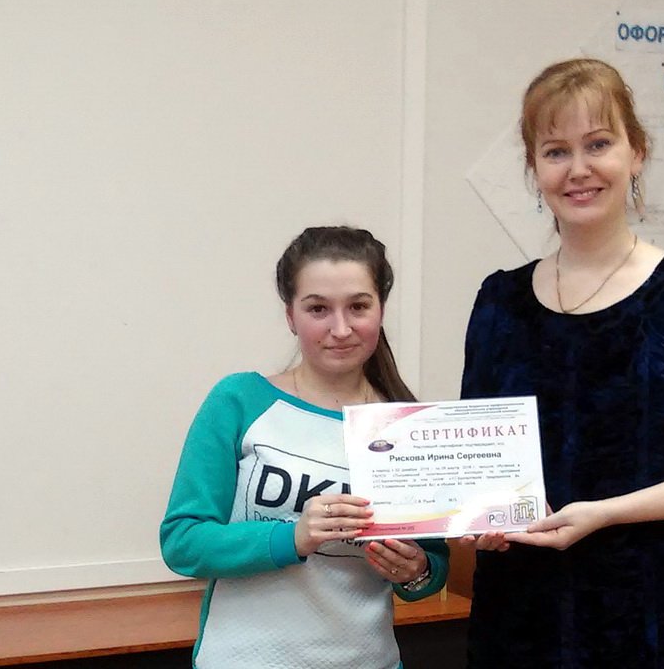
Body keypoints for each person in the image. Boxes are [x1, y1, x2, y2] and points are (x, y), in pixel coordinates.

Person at [459, 59, 664, 668]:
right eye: (556, 151)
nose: (578, 169)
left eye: (598, 144)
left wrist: (604, 514)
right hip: (520, 619)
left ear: (637, 153)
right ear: (534, 169)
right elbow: (480, 465)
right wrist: (477, 519)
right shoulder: (499, 300)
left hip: (651, 615)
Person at [160, 226, 448, 669]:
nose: (341, 328)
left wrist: (416, 571)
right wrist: (292, 537)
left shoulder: (407, 426)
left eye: (358, 306)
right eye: (318, 309)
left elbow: (431, 567)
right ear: (291, 316)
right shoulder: (240, 400)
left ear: (381, 310)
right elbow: (183, 542)